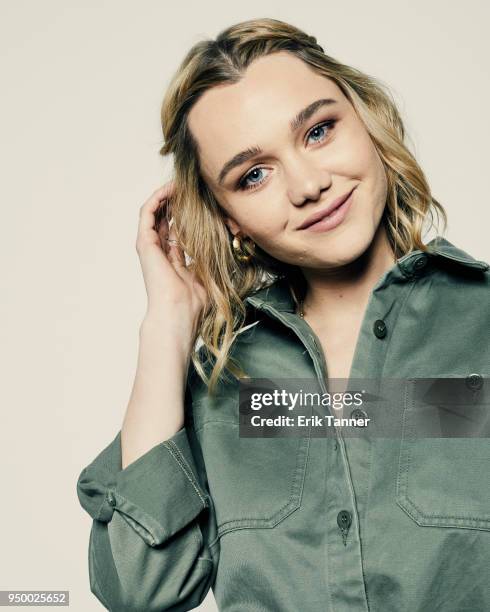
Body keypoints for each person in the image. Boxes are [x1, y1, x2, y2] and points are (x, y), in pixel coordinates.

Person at [76, 17, 490, 612]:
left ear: (367, 121)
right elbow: (142, 592)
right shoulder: (221, 391)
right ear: (229, 220)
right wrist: (166, 323)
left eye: (319, 130)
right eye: (254, 175)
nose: (308, 184)